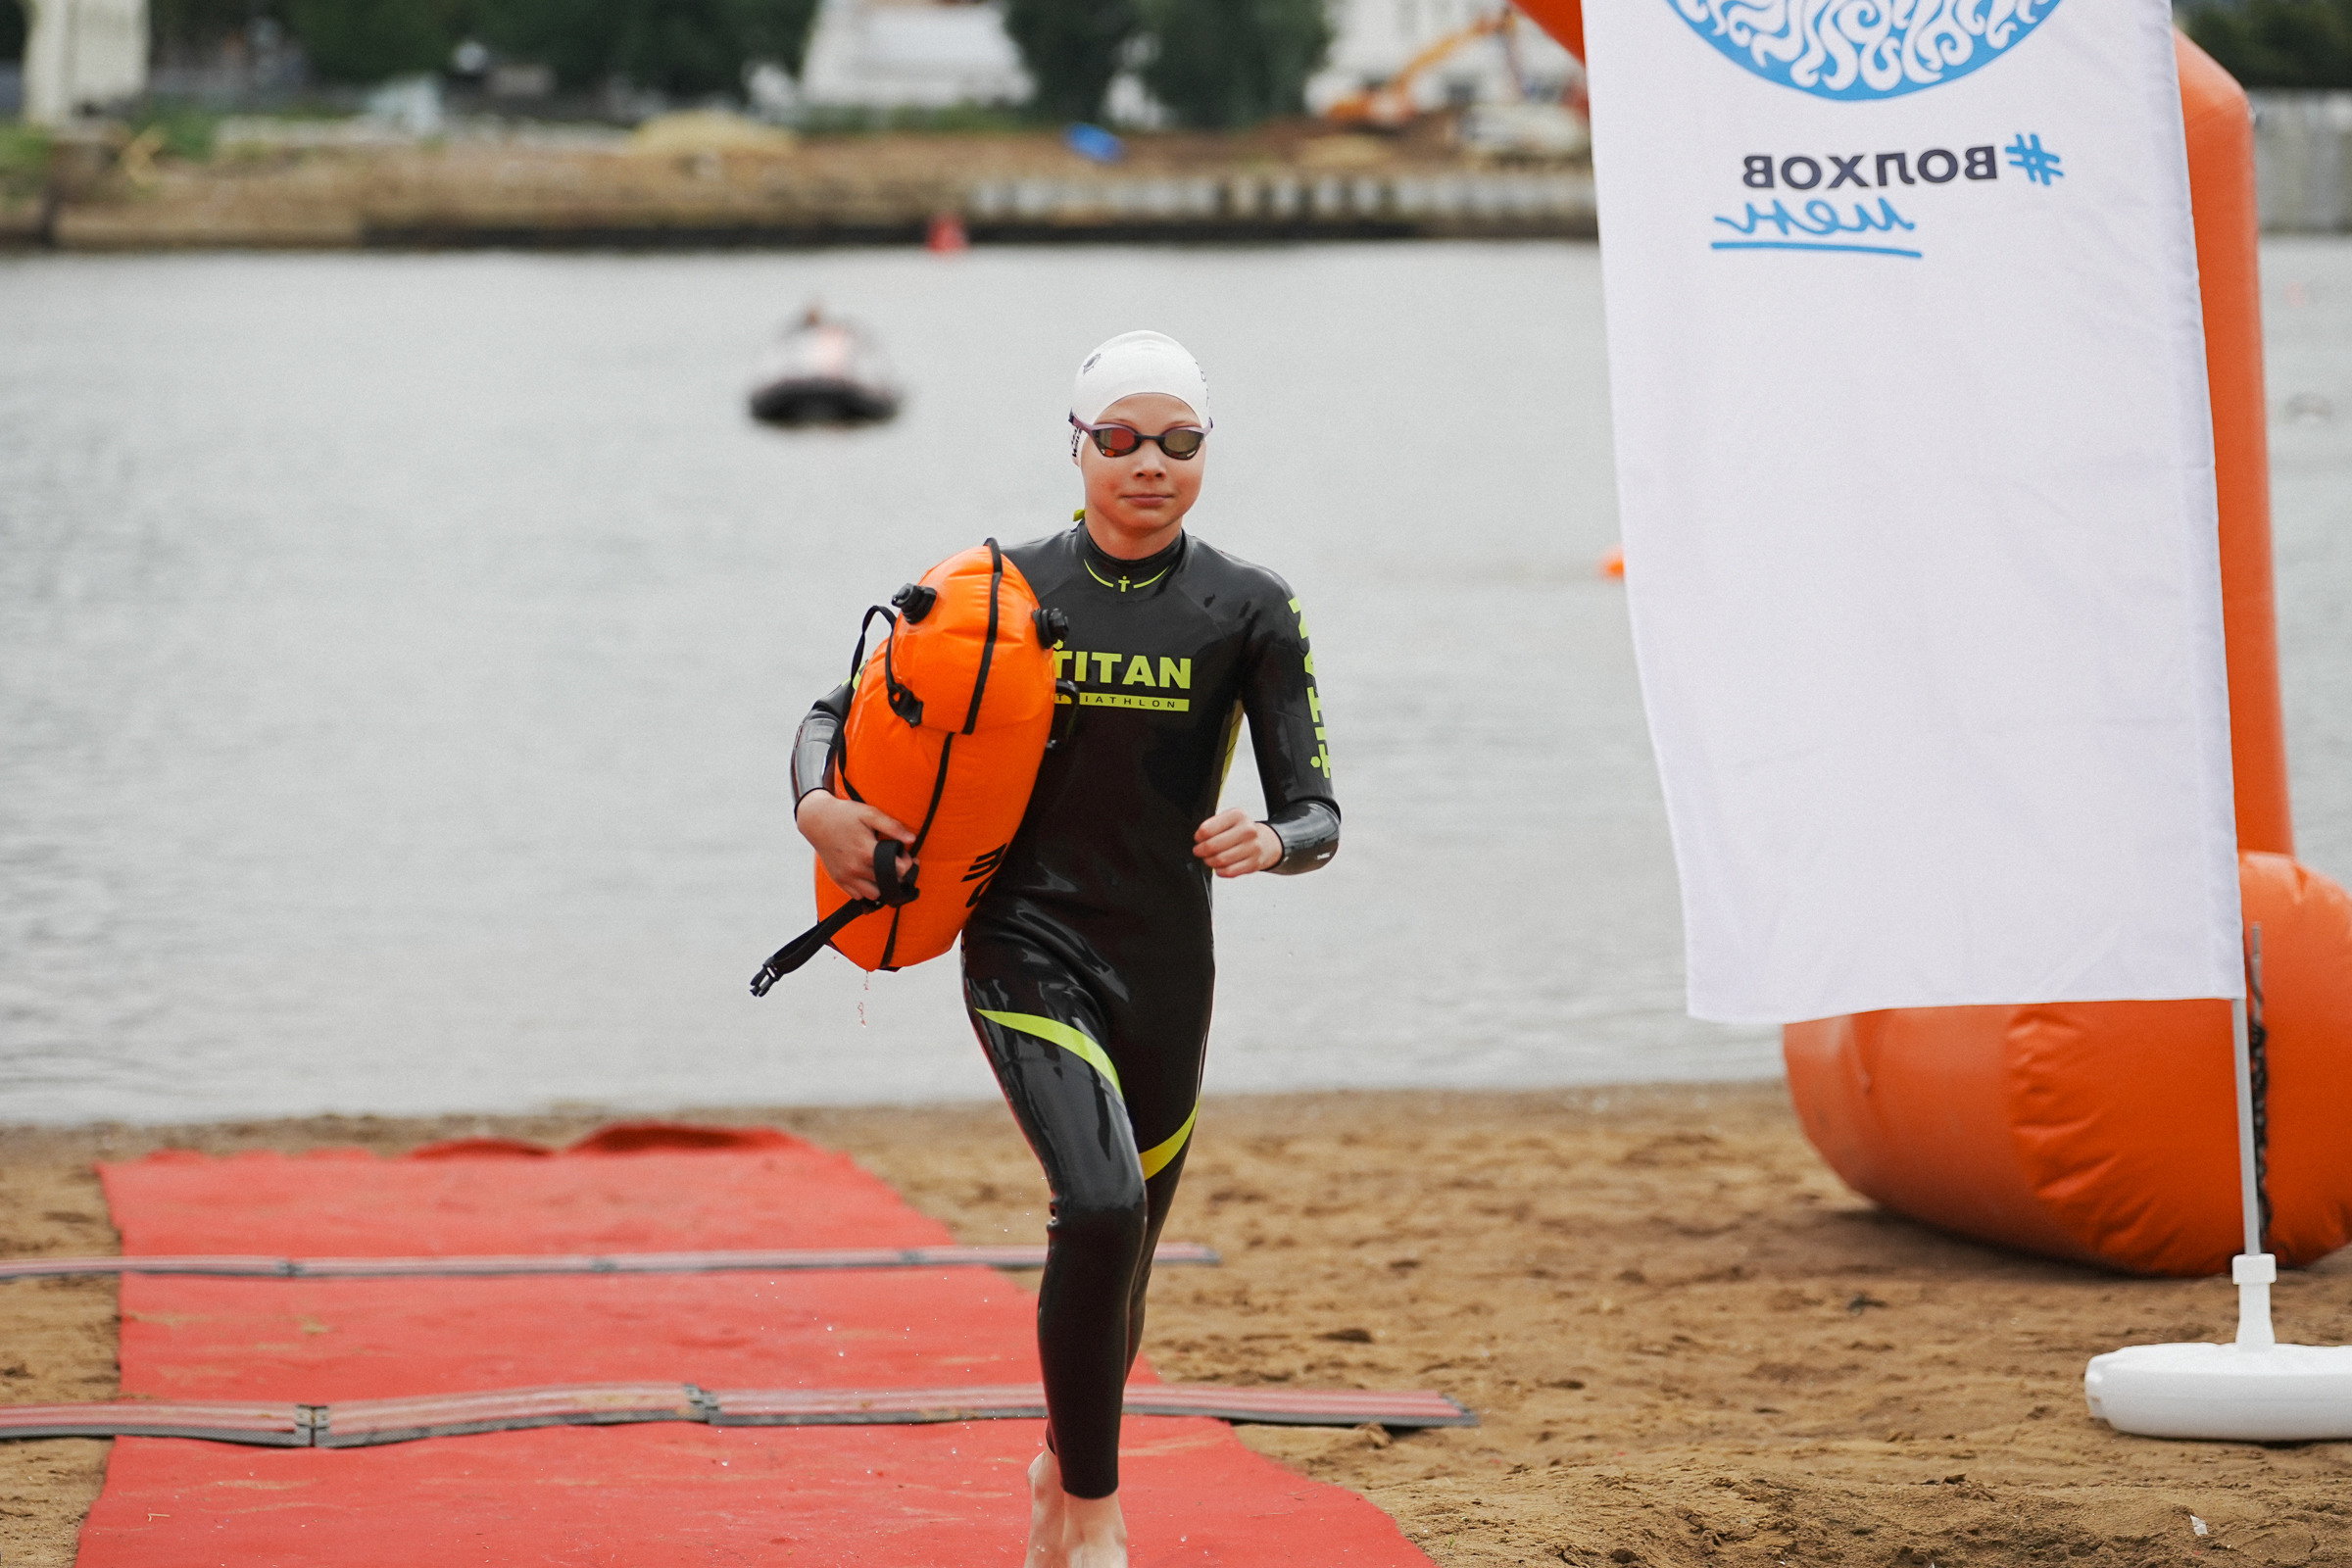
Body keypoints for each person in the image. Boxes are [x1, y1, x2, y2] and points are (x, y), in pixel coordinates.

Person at [790, 330, 1339, 1568]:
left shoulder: (1249, 606)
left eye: (1180, 441)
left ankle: (1056, 1472)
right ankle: (1094, 1510)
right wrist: (819, 806)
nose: (1152, 462)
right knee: (1093, 1205)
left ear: (1206, 449)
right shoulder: (999, 590)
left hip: (1166, 967)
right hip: (1023, 941)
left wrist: (1276, 839)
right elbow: (837, 710)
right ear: (1078, 444)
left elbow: (1319, 805)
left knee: (1126, 1253)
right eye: (1123, 438)